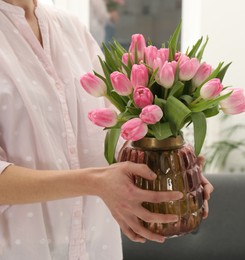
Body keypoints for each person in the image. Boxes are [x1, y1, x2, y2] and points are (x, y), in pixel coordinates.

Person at [0, 0, 214, 259]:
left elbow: (110, 132)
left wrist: (169, 163)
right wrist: (96, 182)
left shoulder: (72, 29)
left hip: (96, 246)